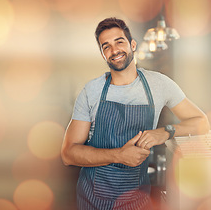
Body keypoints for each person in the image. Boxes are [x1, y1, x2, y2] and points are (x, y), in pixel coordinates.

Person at [61, 17, 210, 210]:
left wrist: (165, 132)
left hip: (135, 199)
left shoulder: (159, 84)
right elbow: (68, 153)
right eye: (106, 46)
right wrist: (119, 155)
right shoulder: (92, 91)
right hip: (92, 199)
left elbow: (201, 122)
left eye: (119, 42)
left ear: (132, 45)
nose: (114, 51)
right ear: (102, 54)